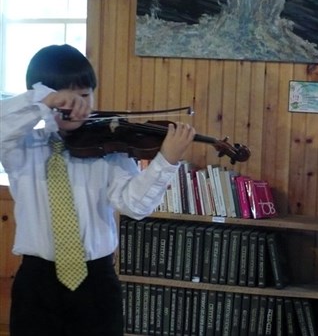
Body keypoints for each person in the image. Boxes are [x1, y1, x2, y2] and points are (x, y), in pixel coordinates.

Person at [0, 44, 196, 336]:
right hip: (37, 282)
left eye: (83, 95)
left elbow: (135, 205)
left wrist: (165, 160)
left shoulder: (109, 148)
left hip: (96, 282)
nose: (75, 106)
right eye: (64, 98)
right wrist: (44, 99)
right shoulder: (23, 147)